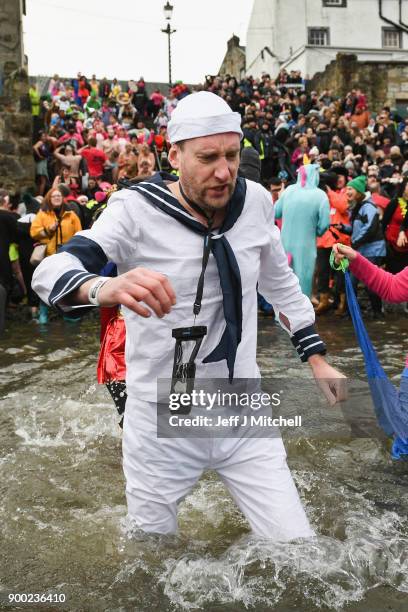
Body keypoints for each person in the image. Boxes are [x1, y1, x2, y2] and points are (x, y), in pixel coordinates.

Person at [32, 91, 345, 539]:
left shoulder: (255, 201)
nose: (224, 172)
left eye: (232, 155)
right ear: (175, 154)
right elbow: (50, 270)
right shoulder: (135, 209)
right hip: (162, 414)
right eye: (208, 157)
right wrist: (108, 286)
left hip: (240, 409)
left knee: (298, 548)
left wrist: (316, 358)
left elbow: (281, 287)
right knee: (151, 557)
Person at [274, 164, 330, 297]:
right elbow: (324, 225)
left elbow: (275, 213)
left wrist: (280, 197)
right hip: (306, 246)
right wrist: (315, 232)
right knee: (303, 279)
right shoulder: (320, 196)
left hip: (285, 245)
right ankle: (300, 315)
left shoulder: (288, 191)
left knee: (284, 279)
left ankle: (282, 316)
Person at [30, 188, 82, 324]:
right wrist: (48, 229)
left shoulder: (71, 215)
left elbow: (79, 233)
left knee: (68, 282)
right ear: (49, 198)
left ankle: (69, 313)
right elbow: (34, 232)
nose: (57, 198)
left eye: (59, 196)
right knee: (47, 282)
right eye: (54, 196)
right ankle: (43, 313)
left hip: (67, 255)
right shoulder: (42, 214)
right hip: (49, 254)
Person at [344, 176, 386, 318]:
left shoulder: (368, 206)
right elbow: (358, 229)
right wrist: (343, 228)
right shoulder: (358, 207)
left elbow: (370, 228)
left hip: (373, 250)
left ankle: (377, 312)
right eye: (347, 188)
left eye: (350, 188)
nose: (347, 191)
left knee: (370, 283)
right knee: (353, 281)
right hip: (361, 250)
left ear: (359, 191)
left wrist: (355, 242)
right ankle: (352, 314)